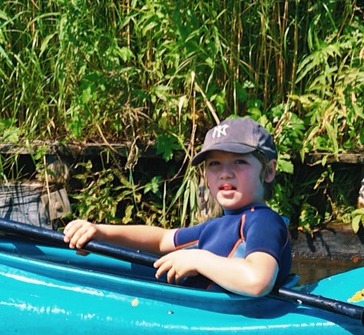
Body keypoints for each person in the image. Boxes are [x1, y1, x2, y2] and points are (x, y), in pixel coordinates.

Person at [61, 116, 291, 297]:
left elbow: (257, 280)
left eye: (239, 161)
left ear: (269, 171)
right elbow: (161, 240)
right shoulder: (216, 226)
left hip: (226, 320)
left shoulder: (263, 221)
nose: (225, 173)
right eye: (214, 164)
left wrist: (198, 259)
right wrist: (101, 232)